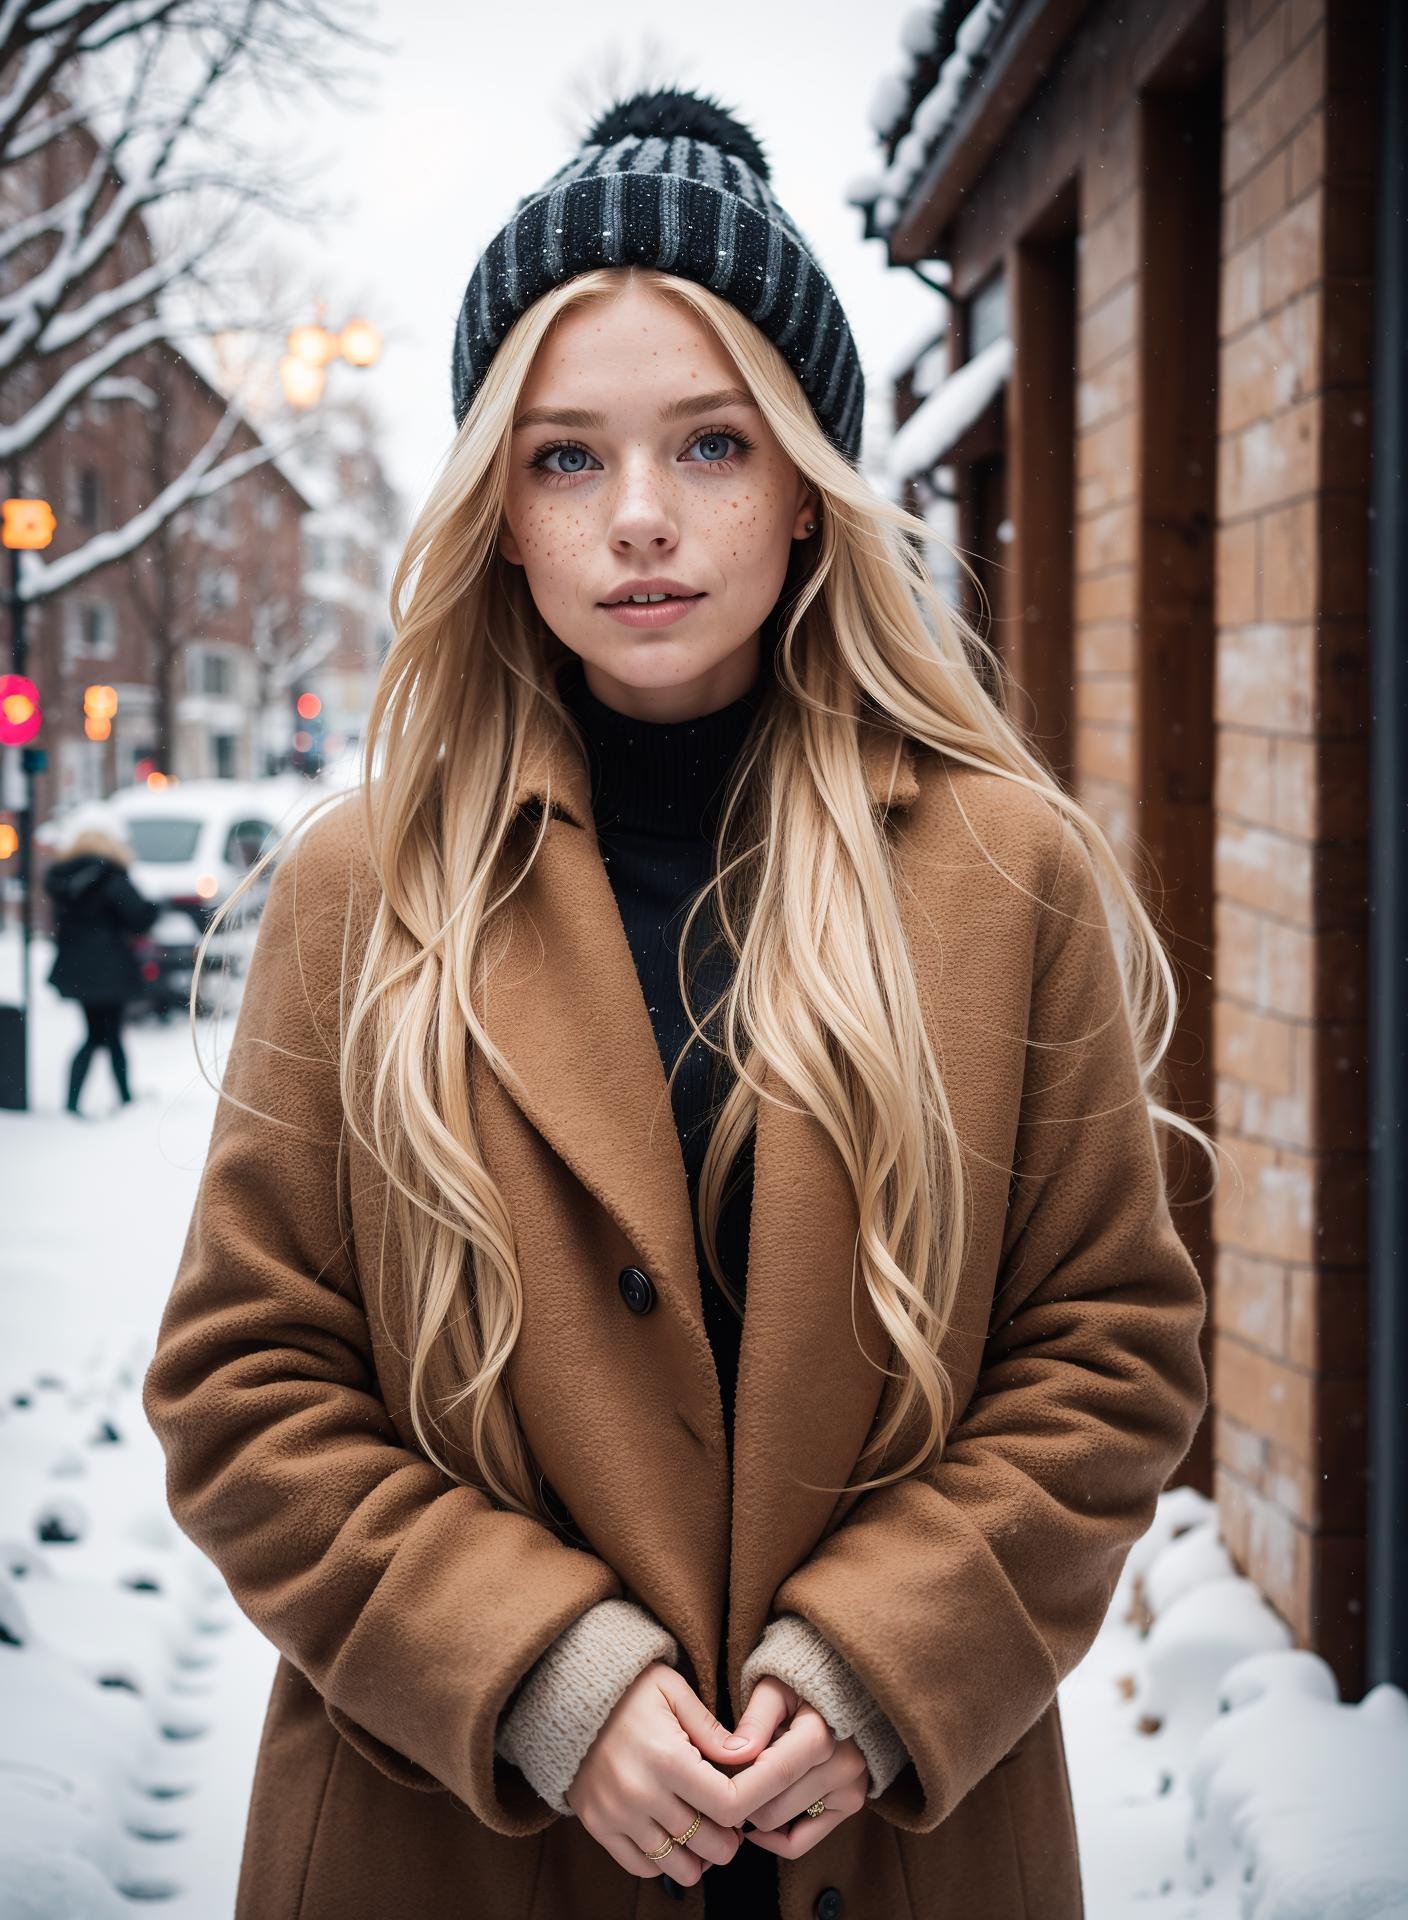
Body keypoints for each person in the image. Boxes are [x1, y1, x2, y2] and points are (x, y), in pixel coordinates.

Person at [142, 87, 1211, 1920]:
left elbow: (1102, 1352)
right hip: (449, 1839)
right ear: (495, 513)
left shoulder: (998, 874)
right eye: (566, 459)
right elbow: (245, 1389)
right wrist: (537, 1675)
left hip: (884, 1841)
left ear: (804, 485)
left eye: (709, 444)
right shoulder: (363, 893)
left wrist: (882, 1662)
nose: (638, 517)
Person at [44, 808, 158, 1116]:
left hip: (76, 968)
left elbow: (58, 925)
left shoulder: (63, 877)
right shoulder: (111, 877)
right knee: (107, 1035)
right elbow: (139, 917)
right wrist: (154, 907)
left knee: (96, 1034)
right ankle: (122, 1099)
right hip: (109, 966)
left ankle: (77, 1101)